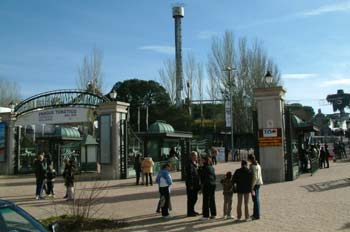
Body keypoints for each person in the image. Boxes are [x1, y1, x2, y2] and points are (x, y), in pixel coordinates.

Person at [185, 151, 201, 217]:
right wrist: (190, 185)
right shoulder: (189, 164)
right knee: (191, 198)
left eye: (197, 156)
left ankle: (192, 210)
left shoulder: (195, 163)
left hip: (196, 184)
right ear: (192, 156)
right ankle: (190, 212)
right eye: (196, 156)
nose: (197, 157)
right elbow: (190, 175)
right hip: (191, 185)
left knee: (195, 198)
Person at [248, 154, 263, 220]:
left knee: (255, 199)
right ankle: (255, 214)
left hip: (254, 184)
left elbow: (254, 177)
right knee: (256, 199)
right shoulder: (258, 165)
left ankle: (256, 215)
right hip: (258, 183)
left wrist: (252, 187)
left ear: (250, 159)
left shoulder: (253, 167)